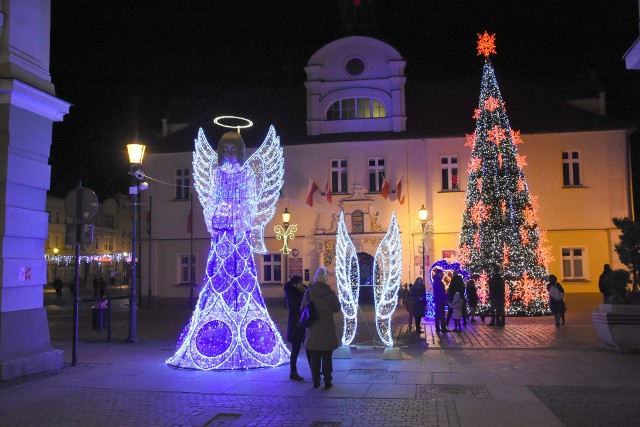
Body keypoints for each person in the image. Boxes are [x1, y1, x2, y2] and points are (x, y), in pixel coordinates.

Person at [167, 128, 290, 369]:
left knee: (243, 273)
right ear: (221, 151)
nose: (230, 153)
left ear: (241, 151)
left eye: (234, 149)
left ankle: (248, 341)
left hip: (239, 232)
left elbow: (251, 202)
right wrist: (216, 215)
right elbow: (211, 200)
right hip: (222, 231)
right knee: (217, 274)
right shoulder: (216, 174)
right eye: (226, 149)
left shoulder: (246, 175)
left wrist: (239, 213)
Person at [302, 266, 341, 389]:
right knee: (327, 357)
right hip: (327, 329)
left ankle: (316, 380)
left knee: (315, 358)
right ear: (325, 279)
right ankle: (328, 381)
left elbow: (302, 308)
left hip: (313, 330)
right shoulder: (330, 293)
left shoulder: (309, 292)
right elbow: (337, 308)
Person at [284, 275, 309, 381]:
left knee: (308, 348)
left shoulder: (299, 292)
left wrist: (305, 291)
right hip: (296, 325)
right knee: (296, 349)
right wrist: (304, 292)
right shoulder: (292, 295)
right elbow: (299, 306)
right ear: (294, 284)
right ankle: (293, 372)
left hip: (301, 324)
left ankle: (314, 370)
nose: (302, 284)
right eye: (300, 282)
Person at [432, 268, 448, 333]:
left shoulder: (436, 281)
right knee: (441, 314)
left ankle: (438, 327)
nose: (442, 274)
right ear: (438, 274)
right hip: (440, 300)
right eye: (441, 273)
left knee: (438, 314)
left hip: (438, 299)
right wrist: (444, 297)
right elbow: (440, 292)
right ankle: (443, 328)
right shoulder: (438, 282)